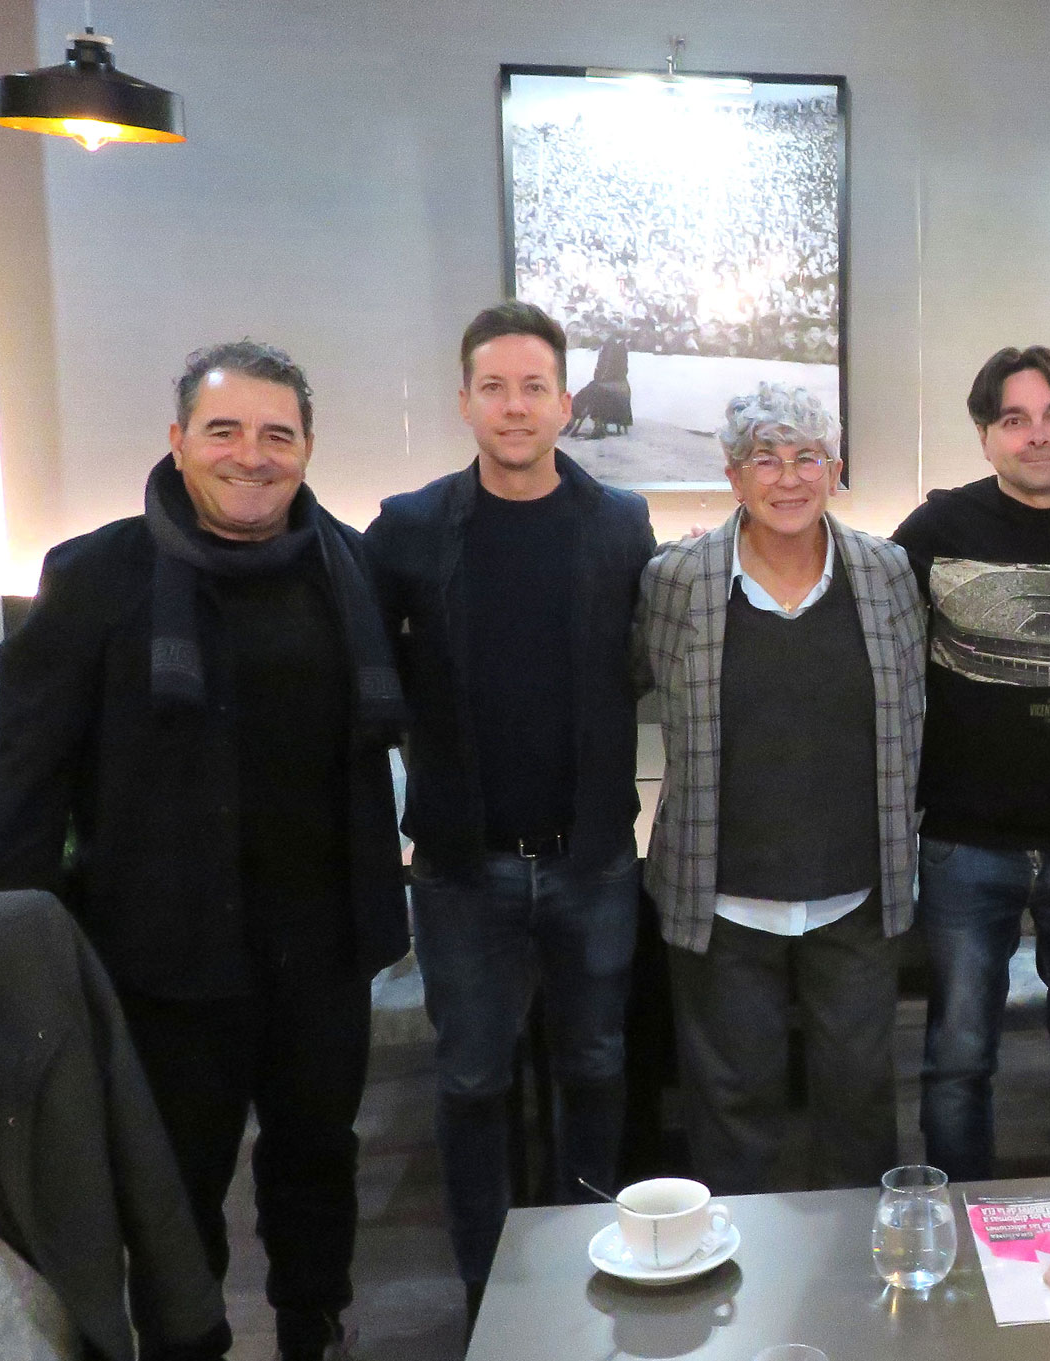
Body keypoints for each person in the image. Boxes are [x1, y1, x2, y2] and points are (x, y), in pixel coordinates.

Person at [0, 341, 408, 1361]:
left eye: (277, 434)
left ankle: (316, 1326)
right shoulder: (95, 577)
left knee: (318, 1159)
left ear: (306, 448)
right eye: (224, 430)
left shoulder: (349, 566)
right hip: (167, 957)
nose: (250, 455)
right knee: (177, 1182)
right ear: (178, 442)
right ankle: (190, 1340)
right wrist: (16, 954)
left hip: (321, 948)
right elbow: (31, 780)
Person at [364, 302, 656, 1334]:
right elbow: (370, 678)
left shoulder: (621, 521)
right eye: (495, 386)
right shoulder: (406, 528)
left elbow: (641, 663)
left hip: (591, 859)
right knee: (473, 1075)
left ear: (566, 402)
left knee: (596, 1064)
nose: (516, 405)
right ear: (465, 402)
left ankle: (591, 1260)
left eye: (535, 386)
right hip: (460, 866)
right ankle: (487, 1286)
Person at [635, 382, 925, 1193]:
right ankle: (740, 1300)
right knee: (732, 1109)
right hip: (722, 898)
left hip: (856, 894)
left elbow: (912, 709)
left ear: (835, 470)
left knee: (861, 1105)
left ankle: (862, 1293)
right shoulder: (680, 580)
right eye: (766, 458)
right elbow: (634, 677)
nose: (788, 477)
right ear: (733, 476)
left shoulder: (887, 572)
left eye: (808, 457)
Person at [893, 345, 1050, 1182]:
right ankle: (957, 1229)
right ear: (984, 435)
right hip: (968, 841)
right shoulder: (934, 532)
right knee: (959, 1057)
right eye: (1015, 420)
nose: (1038, 436)